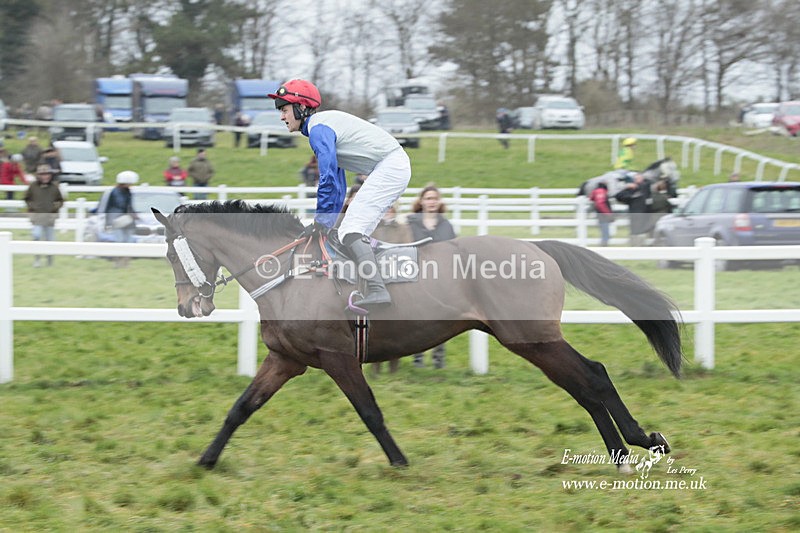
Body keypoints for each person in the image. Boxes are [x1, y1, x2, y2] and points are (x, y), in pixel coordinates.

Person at [268, 79, 411, 310]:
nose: (282, 117)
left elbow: (327, 179)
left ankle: (377, 290)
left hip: (390, 166)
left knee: (350, 231)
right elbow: (338, 183)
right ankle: (372, 285)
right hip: (391, 166)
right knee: (350, 231)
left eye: (284, 110)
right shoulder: (321, 126)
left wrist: (322, 221)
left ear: (301, 107)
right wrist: (325, 221)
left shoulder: (318, 129)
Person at [407, 184, 457, 369]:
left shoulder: (446, 225)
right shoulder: (411, 223)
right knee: (416, 320)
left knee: (440, 321)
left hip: (440, 280)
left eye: (435, 198)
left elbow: (453, 251)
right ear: (421, 201)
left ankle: (438, 361)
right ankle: (417, 359)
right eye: (428, 198)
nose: (432, 202)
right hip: (416, 277)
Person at [24, 164, 64, 267]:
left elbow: (60, 200)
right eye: (43, 174)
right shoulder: (33, 186)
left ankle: (49, 261)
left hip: (49, 218)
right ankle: (37, 259)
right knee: (36, 236)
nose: (45, 176)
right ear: (38, 175)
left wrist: (54, 208)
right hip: (37, 217)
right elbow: (27, 198)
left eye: (47, 174)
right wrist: (33, 207)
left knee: (50, 240)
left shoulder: (54, 187)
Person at [106, 171, 139, 267]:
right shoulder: (116, 192)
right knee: (119, 240)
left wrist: (133, 213)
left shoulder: (127, 192)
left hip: (125, 219)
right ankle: (118, 262)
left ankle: (125, 262)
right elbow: (121, 204)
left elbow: (129, 205)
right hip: (117, 219)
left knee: (128, 240)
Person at [614, 172, 651, 246]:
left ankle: (641, 245)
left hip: (644, 213)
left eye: (639, 178)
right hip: (634, 213)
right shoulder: (632, 188)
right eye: (636, 178)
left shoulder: (645, 186)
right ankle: (635, 245)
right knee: (634, 231)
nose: (637, 180)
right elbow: (619, 196)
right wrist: (629, 193)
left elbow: (646, 184)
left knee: (642, 231)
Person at [589, 182, 614, 246]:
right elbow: (601, 204)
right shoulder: (601, 191)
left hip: (600, 214)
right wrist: (608, 214)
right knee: (605, 233)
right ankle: (604, 246)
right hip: (603, 215)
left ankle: (604, 244)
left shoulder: (595, 192)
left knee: (604, 231)